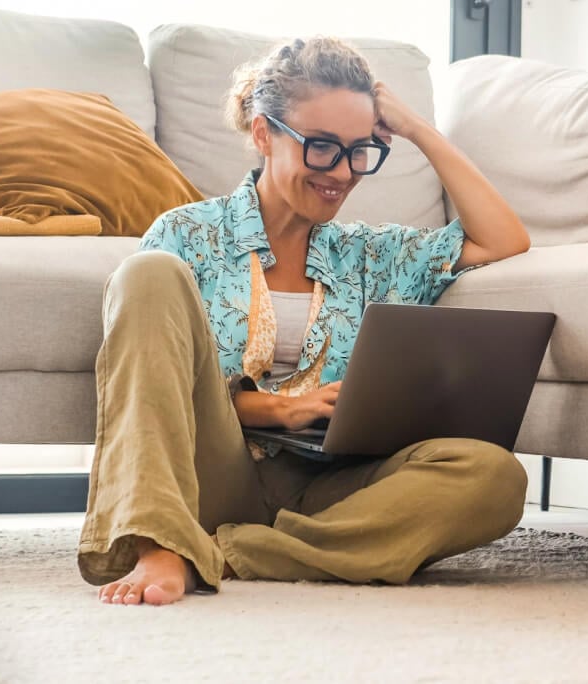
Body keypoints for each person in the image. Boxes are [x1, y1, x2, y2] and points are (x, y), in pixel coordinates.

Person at [78, 36, 532, 606]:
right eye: (321, 148)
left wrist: (418, 129)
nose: (341, 172)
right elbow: (157, 384)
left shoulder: (374, 253)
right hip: (216, 471)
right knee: (145, 274)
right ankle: (161, 541)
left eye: (358, 150)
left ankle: (226, 553)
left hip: (329, 486)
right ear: (264, 133)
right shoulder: (185, 236)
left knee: (493, 475)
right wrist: (273, 407)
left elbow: (503, 238)